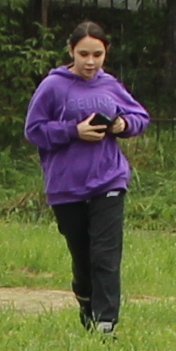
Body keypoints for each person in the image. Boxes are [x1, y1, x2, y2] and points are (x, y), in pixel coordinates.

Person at [25, 19, 153, 334]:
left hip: (108, 181)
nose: (91, 62)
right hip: (66, 186)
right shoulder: (53, 86)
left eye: (98, 54)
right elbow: (34, 130)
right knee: (83, 259)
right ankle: (87, 304)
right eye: (84, 54)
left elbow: (140, 116)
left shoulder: (109, 84)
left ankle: (106, 325)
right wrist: (74, 131)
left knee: (105, 255)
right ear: (71, 52)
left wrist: (123, 125)